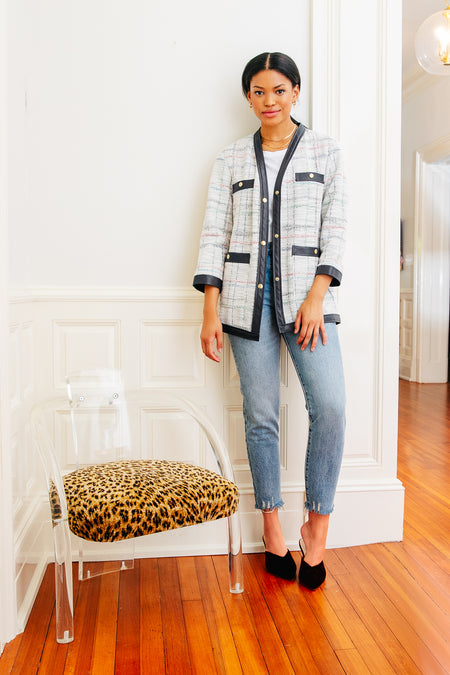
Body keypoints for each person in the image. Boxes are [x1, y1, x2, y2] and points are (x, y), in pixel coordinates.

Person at [193, 52, 346, 590]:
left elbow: (335, 228)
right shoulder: (231, 158)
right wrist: (210, 309)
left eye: (278, 90)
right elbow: (214, 233)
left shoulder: (326, 151)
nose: (269, 101)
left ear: (296, 92)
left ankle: (316, 528)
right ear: (248, 98)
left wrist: (317, 295)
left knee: (330, 407)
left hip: (308, 303)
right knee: (260, 416)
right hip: (244, 303)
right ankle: (273, 528)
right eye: (258, 92)